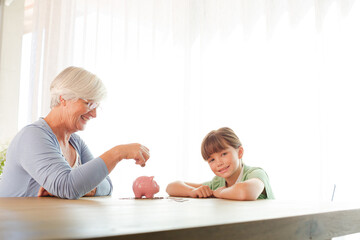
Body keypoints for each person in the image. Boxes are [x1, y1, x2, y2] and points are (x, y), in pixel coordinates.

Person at [0, 66, 150, 199]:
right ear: (63, 99)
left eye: (96, 105)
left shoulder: (75, 142)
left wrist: (84, 187)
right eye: (88, 103)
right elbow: (68, 186)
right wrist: (118, 152)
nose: (94, 114)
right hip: (15, 227)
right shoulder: (32, 136)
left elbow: (107, 186)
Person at [166, 127, 274, 200]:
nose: (219, 163)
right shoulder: (218, 183)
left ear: (240, 152)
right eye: (212, 160)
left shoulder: (256, 174)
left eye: (224, 154)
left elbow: (244, 192)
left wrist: (221, 193)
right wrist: (192, 191)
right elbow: (171, 187)